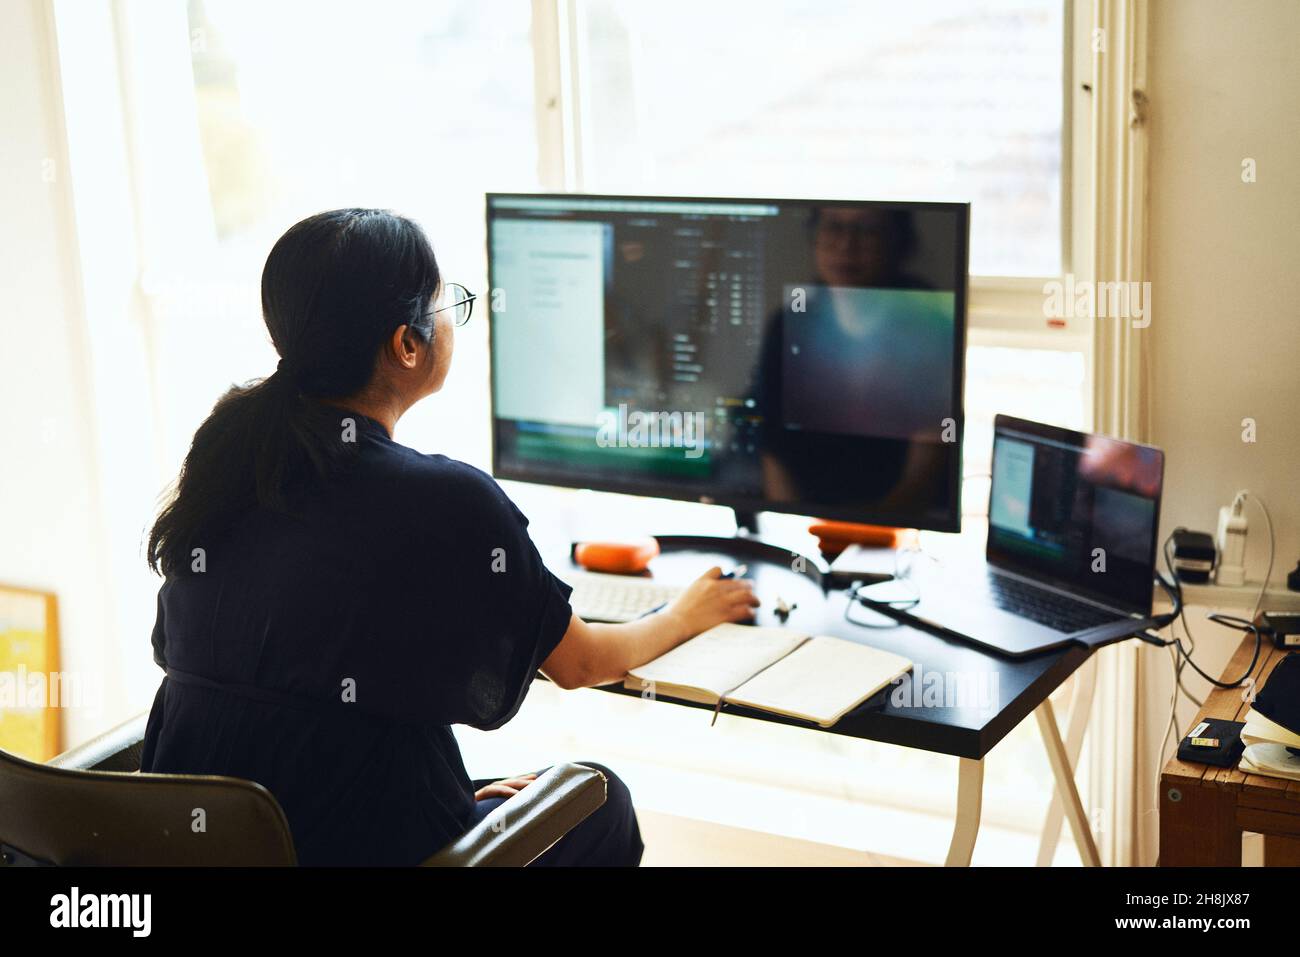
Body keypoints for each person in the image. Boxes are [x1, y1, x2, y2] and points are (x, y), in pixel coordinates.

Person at [141, 208, 758, 866]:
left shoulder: (229, 461)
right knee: (603, 802)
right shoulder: (443, 499)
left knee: (507, 787)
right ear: (407, 345)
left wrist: (458, 798)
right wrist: (685, 614)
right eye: (446, 305)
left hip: (217, 845)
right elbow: (581, 665)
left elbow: (292, 704)